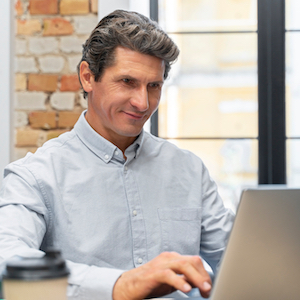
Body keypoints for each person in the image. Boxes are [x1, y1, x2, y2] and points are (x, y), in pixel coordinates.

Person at [0, 10, 234, 300]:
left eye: (154, 86)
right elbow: (9, 263)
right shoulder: (35, 176)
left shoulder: (189, 170)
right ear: (88, 77)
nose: (142, 102)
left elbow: (238, 263)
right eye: (127, 82)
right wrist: (120, 285)